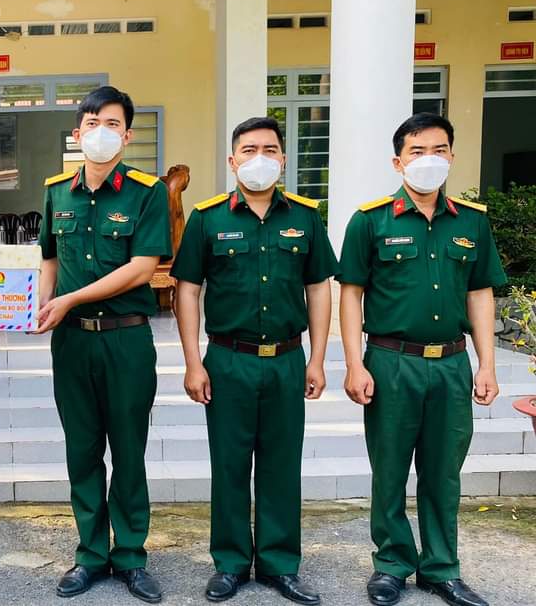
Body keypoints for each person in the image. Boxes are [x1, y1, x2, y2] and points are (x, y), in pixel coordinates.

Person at [338, 113, 505, 606]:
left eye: (438, 150)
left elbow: (480, 293)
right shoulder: (370, 221)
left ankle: (441, 568)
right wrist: (354, 363)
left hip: (451, 364)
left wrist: (487, 363)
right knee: (389, 469)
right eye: (417, 151)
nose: (428, 160)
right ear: (398, 161)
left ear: (452, 156)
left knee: (443, 472)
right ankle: (391, 564)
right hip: (392, 362)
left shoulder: (472, 222)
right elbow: (351, 294)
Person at [170, 116, 337, 605]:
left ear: (283, 158)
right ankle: (230, 563)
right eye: (248, 150)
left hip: (286, 358)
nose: (259, 158)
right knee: (229, 464)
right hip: (228, 359)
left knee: (282, 465)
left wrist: (318, 359)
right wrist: (192, 361)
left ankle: (280, 564)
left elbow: (318, 289)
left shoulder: (305, 216)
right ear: (232, 160)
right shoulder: (208, 218)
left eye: (268, 149)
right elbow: (187, 291)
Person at [35, 85, 171, 604]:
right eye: (92, 123)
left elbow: (141, 268)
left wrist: (69, 299)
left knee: (129, 450)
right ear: (77, 133)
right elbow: (49, 258)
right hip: (72, 342)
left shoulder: (147, 192)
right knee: (82, 450)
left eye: (112, 123)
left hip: (126, 339)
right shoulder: (57, 192)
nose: (101, 131)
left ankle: (131, 555)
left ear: (127, 135)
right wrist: (41, 304)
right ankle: (91, 554)